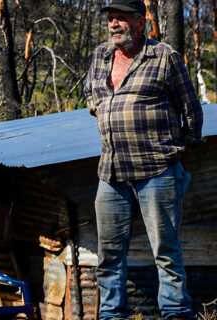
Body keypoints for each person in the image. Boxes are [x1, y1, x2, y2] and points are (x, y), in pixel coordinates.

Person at [83, 0, 204, 319]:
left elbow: (191, 109)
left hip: (157, 172)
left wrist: (178, 159)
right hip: (110, 173)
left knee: (166, 250)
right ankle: (112, 314)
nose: (113, 25)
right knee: (108, 253)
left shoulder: (164, 56)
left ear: (140, 22)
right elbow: (90, 92)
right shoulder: (100, 55)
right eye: (110, 19)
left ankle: (176, 311)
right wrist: (102, 108)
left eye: (120, 19)